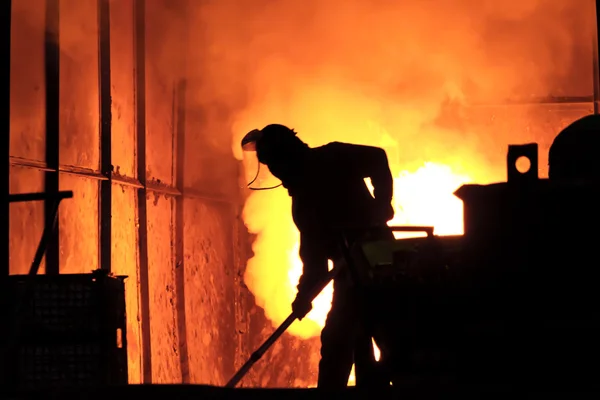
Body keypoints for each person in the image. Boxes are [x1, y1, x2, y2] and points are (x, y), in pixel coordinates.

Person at [243, 124, 395, 388]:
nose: (276, 172)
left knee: (391, 337)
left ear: (288, 155)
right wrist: (304, 296)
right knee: (338, 342)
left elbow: (377, 158)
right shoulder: (303, 202)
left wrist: (382, 203)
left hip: (380, 261)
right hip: (348, 274)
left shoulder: (332, 157)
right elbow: (314, 260)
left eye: (275, 163)